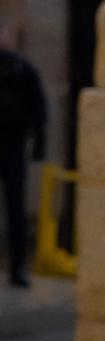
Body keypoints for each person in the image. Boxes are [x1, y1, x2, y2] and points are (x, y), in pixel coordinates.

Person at [0, 19, 47, 287]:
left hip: (13, 145)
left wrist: (39, 142)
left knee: (16, 209)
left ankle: (18, 267)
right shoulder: (20, 67)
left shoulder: (21, 67)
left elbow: (38, 108)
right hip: (13, 143)